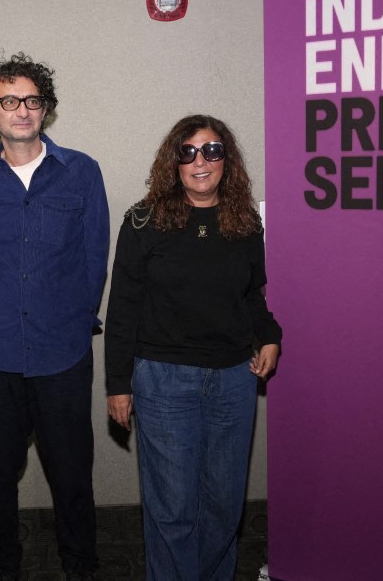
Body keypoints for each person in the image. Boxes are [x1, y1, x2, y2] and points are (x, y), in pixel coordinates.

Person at [104, 115, 281, 581]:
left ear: (228, 160)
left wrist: (270, 335)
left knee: (223, 507)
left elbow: (252, 296)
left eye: (212, 151)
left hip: (233, 380)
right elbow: (121, 307)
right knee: (173, 510)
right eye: (188, 152)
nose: (200, 161)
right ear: (174, 163)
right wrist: (118, 385)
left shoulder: (245, 223)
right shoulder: (144, 221)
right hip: (163, 380)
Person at [0, 53, 109, 580]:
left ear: (44, 108)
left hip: (62, 354)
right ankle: (2, 568)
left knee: (72, 475)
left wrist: (68, 320)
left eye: (31, 100)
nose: (21, 110)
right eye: (8, 101)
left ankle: (80, 566)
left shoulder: (82, 173)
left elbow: (94, 261)